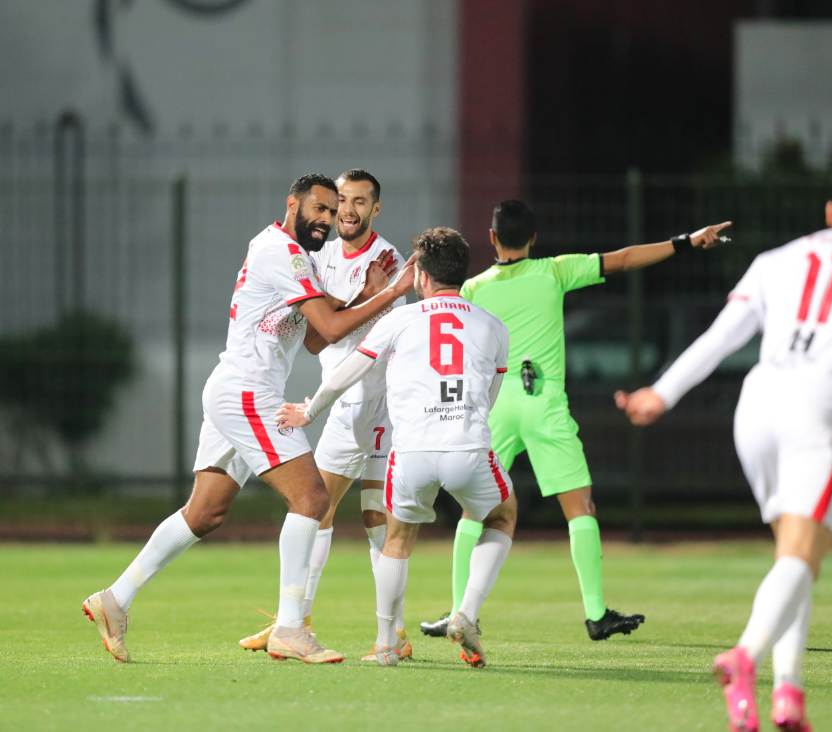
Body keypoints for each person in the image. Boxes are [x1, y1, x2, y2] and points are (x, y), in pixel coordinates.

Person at [82, 173, 416, 664]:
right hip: (248, 394)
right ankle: (289, 628)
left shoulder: (290, 252)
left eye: (332, 210)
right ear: (293, 205)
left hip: (234, 388)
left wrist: (364, 295)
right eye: (319, 208)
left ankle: (114, 600)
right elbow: (327, 326)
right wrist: (390, 293)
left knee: (205, 513)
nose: (326, 218)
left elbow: (314, 337)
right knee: (311, 498)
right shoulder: (282, 252)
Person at [615, 172, 832, 731]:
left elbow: (723, 335)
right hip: (823, 407)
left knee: (792, 553)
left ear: (831, 214)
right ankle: (745, 658)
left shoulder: (776, 259)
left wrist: (660, 393)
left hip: (758, 406)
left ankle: (789, 694)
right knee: (803, 553)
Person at [420, 201, 731, 641]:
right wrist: (685, 242)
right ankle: (596, 613)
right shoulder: (554, 270)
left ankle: (456, 611)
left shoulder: (472, 289)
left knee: (476, 510)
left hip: (494, 407)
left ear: (491, 238)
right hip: (542, 400)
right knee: (580, 508)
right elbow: (623, 258)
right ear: (534, 237)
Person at [277, 227, 517, 668]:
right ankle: (466, 612)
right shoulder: (492, 325)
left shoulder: (399, 320)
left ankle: (387, 643)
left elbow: (349, 369)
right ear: (462, 275)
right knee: (502, 515)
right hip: (467, 446)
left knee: (397, 540)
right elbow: (491, 392)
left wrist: (308, 412)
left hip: (410, 455)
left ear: (421, 275)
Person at [238, 169, 413, 661]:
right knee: (317, 511)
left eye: (360, 201)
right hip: (339, 403)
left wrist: (385, 291)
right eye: (342, 202)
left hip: (379, 404)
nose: (348, 210)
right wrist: (369, 296)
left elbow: (388, 341)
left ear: (375, 209)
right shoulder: (321, 257)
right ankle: (293, 622)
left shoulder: (390, 261)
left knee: (375, 518)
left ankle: (393, 636)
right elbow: (318, 337)